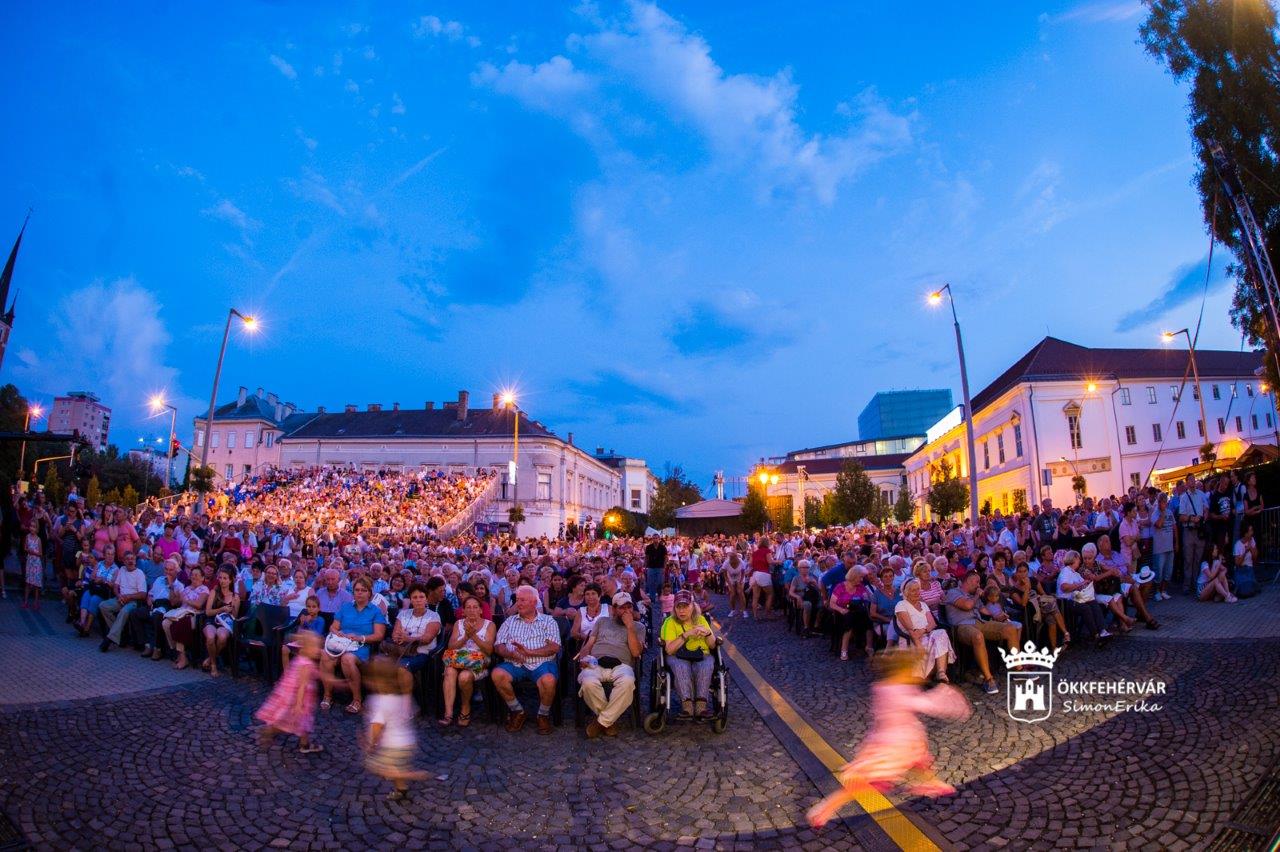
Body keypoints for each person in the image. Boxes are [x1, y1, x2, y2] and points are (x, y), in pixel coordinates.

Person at [807, 648, 971, 829]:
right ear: (902, 672)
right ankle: (824, 809)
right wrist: (947, 698)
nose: (915, 677)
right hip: (896, 747)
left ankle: (931, 783)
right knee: (863, 784)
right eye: (911, 672)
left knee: (920, 761)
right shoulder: (899, 692)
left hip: (893, 743)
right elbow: (926, 704)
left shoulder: (884, 687)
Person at [492, 586, 562, 734]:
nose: (519, 604)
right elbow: (498, 645)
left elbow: (554, 647)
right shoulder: (510, 621)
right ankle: (517, 711)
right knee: (497, 674)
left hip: (541, 663)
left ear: (534, 602)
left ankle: (543, 715)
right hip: (515, 663)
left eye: (523, 600)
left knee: (548, 681)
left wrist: (530, 652)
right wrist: (511, 654)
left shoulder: (548, 621)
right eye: (517, 600)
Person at [576, 591, 644, 738]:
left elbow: (635, 653)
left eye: (629, 607)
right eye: (622, 608)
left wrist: (630, 627)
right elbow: (589, 644)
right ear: (614, 609)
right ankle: (609, 722)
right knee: (587, 682)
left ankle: (601, 722)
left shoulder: (639, 627)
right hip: (596, 663)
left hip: (622, 665)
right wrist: (583, 657)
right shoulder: (602, 622)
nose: (626, 611)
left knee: (627, 683)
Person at [361, 656, 427, 801]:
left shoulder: (378, 702)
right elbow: (410, 713)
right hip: (408, 742)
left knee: (375, 766)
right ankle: (401, 789)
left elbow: (377, 726)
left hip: (393, 745)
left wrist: (371, 744)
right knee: (396, 766)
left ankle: (412, 775)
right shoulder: (401, 697)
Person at [943, 571, 1018, 695]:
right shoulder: (953, 592)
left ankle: (1018, 669)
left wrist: (998, 615)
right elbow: (967, 605)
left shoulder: (974, 596)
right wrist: (977, 595)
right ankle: (989, 679)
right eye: (976, 582)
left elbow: (984, 610)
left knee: (1010, 628)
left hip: (979, 622)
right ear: (968, 580)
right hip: (961, 626)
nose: (978, 585)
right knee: (978, 636)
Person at [321, 576, 388, 713]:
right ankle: (327, 695)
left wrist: (360, 637)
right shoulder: (346, 607)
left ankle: (357, 699)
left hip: (361, 646)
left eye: (363, 590)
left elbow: (379, 635)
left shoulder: (375, 611)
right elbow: (333, 627)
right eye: (357, 590)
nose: (359, 593)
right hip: (341, 643)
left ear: (369, 592)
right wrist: (337, 633)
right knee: (325, 655)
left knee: (347, 659)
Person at [255, 629, 324, 754]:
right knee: (293, 722)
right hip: (301, 700)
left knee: (298, 721)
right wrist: (298, 704)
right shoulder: (307, 665)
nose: (318, 650)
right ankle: (271, 732)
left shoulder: (300, 659)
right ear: (306, 648)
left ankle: (304, 743)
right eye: (315, 647)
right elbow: (302, 686)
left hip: (292, 696)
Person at [660, 590, 718, 720]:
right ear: (674, 608)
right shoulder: (670, 622)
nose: (682, 611)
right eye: (678, 607)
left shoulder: (701, 620)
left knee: (707, 664)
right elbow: (669, 650)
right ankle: (687, 706)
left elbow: (713, 645)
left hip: (701, 654)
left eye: (685, 606)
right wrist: (687, 635)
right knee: (681, 666)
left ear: (693, 606)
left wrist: (708, 634)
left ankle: (701, 706)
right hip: (677, 655)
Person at [440, 596, 495, 727]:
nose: (472, 610)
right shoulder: (458, 624)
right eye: (468, 607)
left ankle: (465, 707)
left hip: (478, 661)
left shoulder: (489, 625)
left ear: (481, 610)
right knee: (449, 671)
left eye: (475, 607)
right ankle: (448, 714)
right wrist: (465, 637)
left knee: (464, 677)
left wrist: (474, 636)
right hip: (458, 659)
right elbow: (451, 647)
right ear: (463, 611)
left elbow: (489, 650)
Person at [893, 578, 955, 683]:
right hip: (911, 639)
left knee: (941, 632)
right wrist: (918, 644)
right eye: (913, 590)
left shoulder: (923, 605)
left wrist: (922, 630)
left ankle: (941, 673)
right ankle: (930, 673)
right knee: (935, 640)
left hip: (926, 634)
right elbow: (911, 629)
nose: (917, 592)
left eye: (918, 589)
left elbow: (932, 623)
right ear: (906, 592)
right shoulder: (901, 605)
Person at [99, 552, 150, 652]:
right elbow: (115, 586)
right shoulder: (122, 570)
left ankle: (109, 639)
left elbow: (143, 594)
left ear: (135, 561)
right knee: (103, 606)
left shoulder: (139, 574)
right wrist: (119, 596)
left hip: (133, 601)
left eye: (132, 558)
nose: (130, 561)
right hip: (120, 599)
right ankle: (120, 633)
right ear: (124, 561)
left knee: (124, 612)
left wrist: (128, 597)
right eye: (127, 559)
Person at [828, 566, 875, 661]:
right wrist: (841, 610)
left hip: (857, 612)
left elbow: (868, 599)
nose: (862, 580)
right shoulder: (840, 587)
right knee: (849, 620)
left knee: (868, 620)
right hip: (842, 613)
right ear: (854, 576)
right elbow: (832, 603)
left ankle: (869, 647)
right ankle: (844, 650)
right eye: (860, 577)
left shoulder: (861, 587)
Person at [202, 566, 240, 677]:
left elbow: (234, 617)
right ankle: (214, 665)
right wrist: (222, 609)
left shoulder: (235, 596)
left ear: (231, 580)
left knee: (222, 637)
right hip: (212, 619)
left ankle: (209, 659)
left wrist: (234, 606)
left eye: (225, 578)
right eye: (220, 578)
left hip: (225, 623)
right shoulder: (214, 592)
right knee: (210, 637)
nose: (222, 581)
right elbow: (208, 612)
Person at [749, 537, 773, 619]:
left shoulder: (754, 552)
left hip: (755, 574)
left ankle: (755, 616)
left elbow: (750, 563)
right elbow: (770, 562)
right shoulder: (767, 551)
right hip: (764, 574)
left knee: (755, 597)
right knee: (770, 594)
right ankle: (768, 614)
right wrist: (778, 562)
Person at [22, 524, 43, 610]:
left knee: (36, 584)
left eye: (34, 527)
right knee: (28, 582)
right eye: (31, 526)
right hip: (29, 562)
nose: (31, 528)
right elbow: (25, 548)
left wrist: (34, 552)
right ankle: (26, 602)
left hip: (36, 563)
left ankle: (36, 602)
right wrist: (28, 551)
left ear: (37, 528)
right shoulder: (27, 537)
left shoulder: (38, 539)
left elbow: (41, 553)